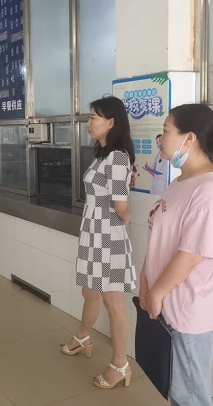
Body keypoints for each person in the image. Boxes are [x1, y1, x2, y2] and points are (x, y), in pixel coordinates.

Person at [140, 104, 213, 406]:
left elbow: (190, 255)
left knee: (190, 397)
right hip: (170, 304)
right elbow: (160, 238)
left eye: (166, 131)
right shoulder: (180, 182)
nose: (160, 139)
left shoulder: (209, 190)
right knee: (178, 393)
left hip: (191, 310)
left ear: (189, 138)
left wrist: (157, 291)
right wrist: (146, 280)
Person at [61, 96, 137, 389]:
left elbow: (121, 205)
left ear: (111, 122)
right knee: (89, 291)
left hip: (107, 234)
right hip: (94, 231)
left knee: (112, 302)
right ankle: (83, 336)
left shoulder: (117, 156)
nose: (88, 123)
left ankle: (120, 364)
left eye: (93, 117)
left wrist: (122, 220)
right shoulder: (104, 154)